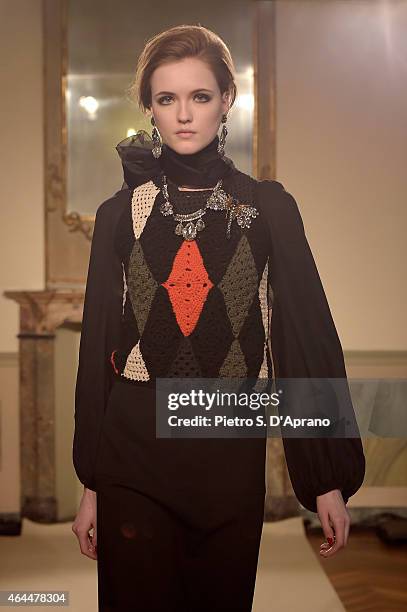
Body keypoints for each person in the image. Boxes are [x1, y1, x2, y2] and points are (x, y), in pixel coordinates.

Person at [71, 24, 365, 612]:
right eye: (166, 98)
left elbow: (302, 337)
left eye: (199, 97)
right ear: (150, 108)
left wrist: (325, 475)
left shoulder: (267, 208)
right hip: (134, 451)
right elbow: (99, 347)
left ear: (227, 99)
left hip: (228, 452)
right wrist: (91, 486)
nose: (183, 115)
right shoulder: (118, 216)